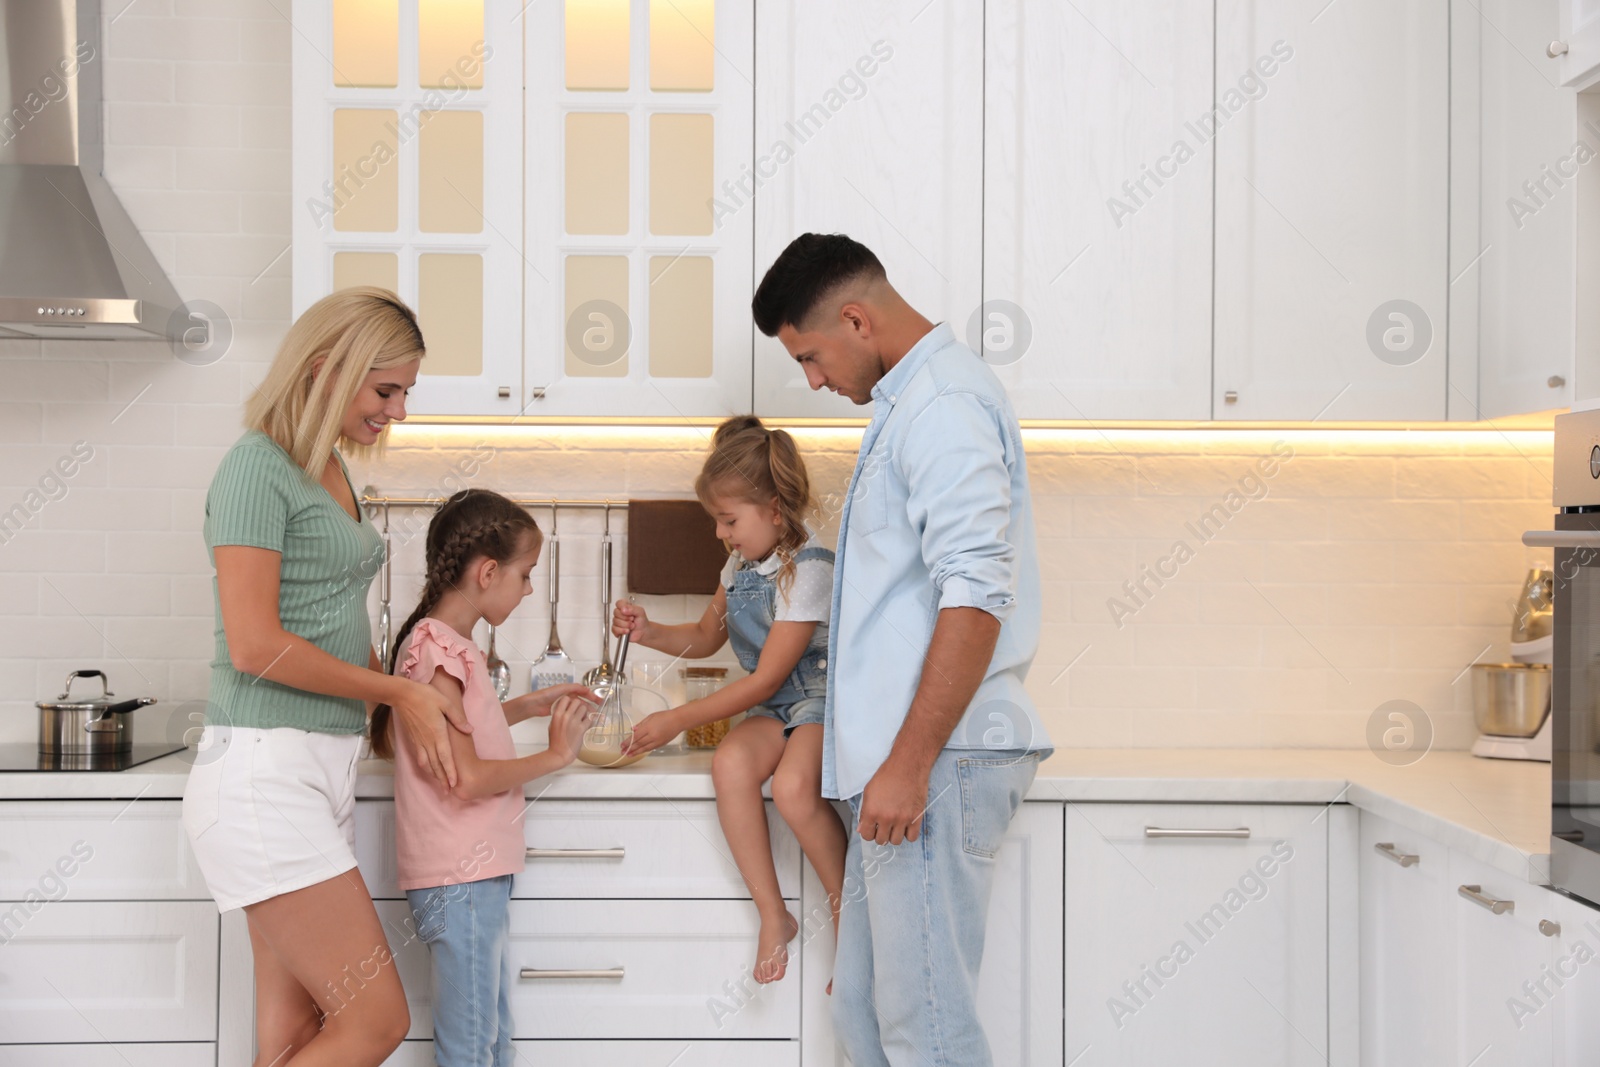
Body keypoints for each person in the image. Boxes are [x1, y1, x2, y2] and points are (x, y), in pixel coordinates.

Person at [751, 233, 1054, 1066]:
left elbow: (977, 593)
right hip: (906, 764)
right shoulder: (908, 407)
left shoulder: (944, 406)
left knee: (926, 1026)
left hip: (937, 762)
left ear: (856, 318)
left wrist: (910, 762)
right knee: (862, 1012)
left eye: (810, 356)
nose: (813, 380)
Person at [182, 287, 470, 1066]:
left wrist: (418, 703)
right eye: (387, 390)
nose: (399, 410)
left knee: (293, 1040)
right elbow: (253, 644)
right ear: (325, 370)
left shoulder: (328, 468)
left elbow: (332, 620)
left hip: (313, 770)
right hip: (260, 775)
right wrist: (400, 694)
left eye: (404, 390)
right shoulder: (255, 467)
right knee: (376, 1022)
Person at [612, 415, 847, 986]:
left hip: (817, 701)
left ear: (774, 507)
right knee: (730, 763)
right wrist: (650, 630)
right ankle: (774, 916)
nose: (721, 533)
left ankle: (850, 921)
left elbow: (767, 679)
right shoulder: (739, 564)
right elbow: (705, 636)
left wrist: (674, 719)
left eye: (728, 520)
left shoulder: (809, 569)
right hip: (773, 711)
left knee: (793, 789)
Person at [372, 488, 597, 1067]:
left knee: (489, 1034)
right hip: (460, 876)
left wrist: (530, 704)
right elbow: (467, 778)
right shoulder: (439, 650)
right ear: (488, 571)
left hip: (469, 874)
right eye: (525, 575)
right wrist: (554, 756)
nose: (527, 589)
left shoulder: (445, 643)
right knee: (472, 1042)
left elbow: (461, 731)